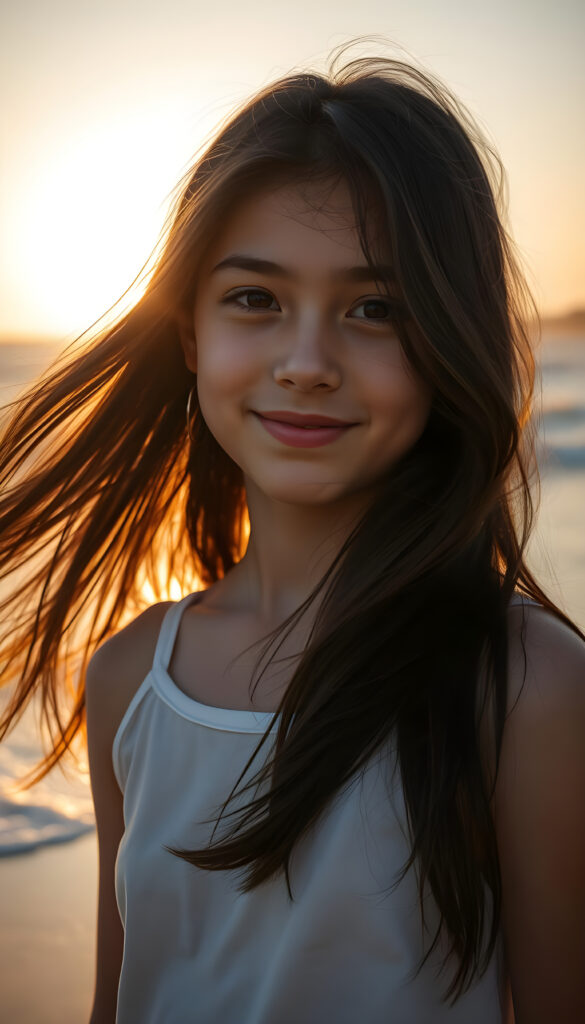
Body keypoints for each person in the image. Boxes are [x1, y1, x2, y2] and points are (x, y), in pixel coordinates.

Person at [0, 43, 584, 1024]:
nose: (306, 361)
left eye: (374, 308)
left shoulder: (524, 685)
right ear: (191, 334)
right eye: (255, 300)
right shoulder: (132, 676)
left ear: (450, 340)